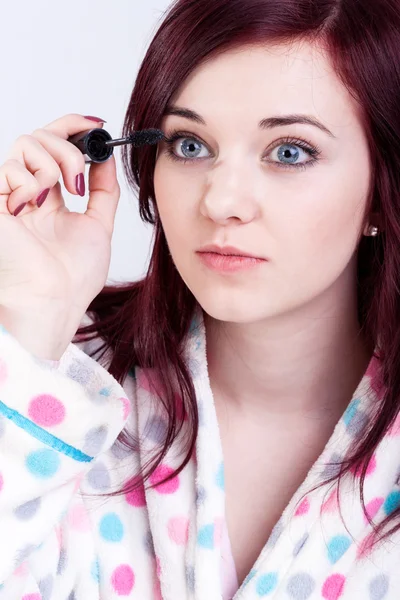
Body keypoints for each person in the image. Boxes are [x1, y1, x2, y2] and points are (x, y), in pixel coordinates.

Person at [0, 0, 399, 598]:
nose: (221, 201)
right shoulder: (52, 378)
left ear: (380, 191)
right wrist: (35, 318)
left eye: (290, 152)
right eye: (189, 146)